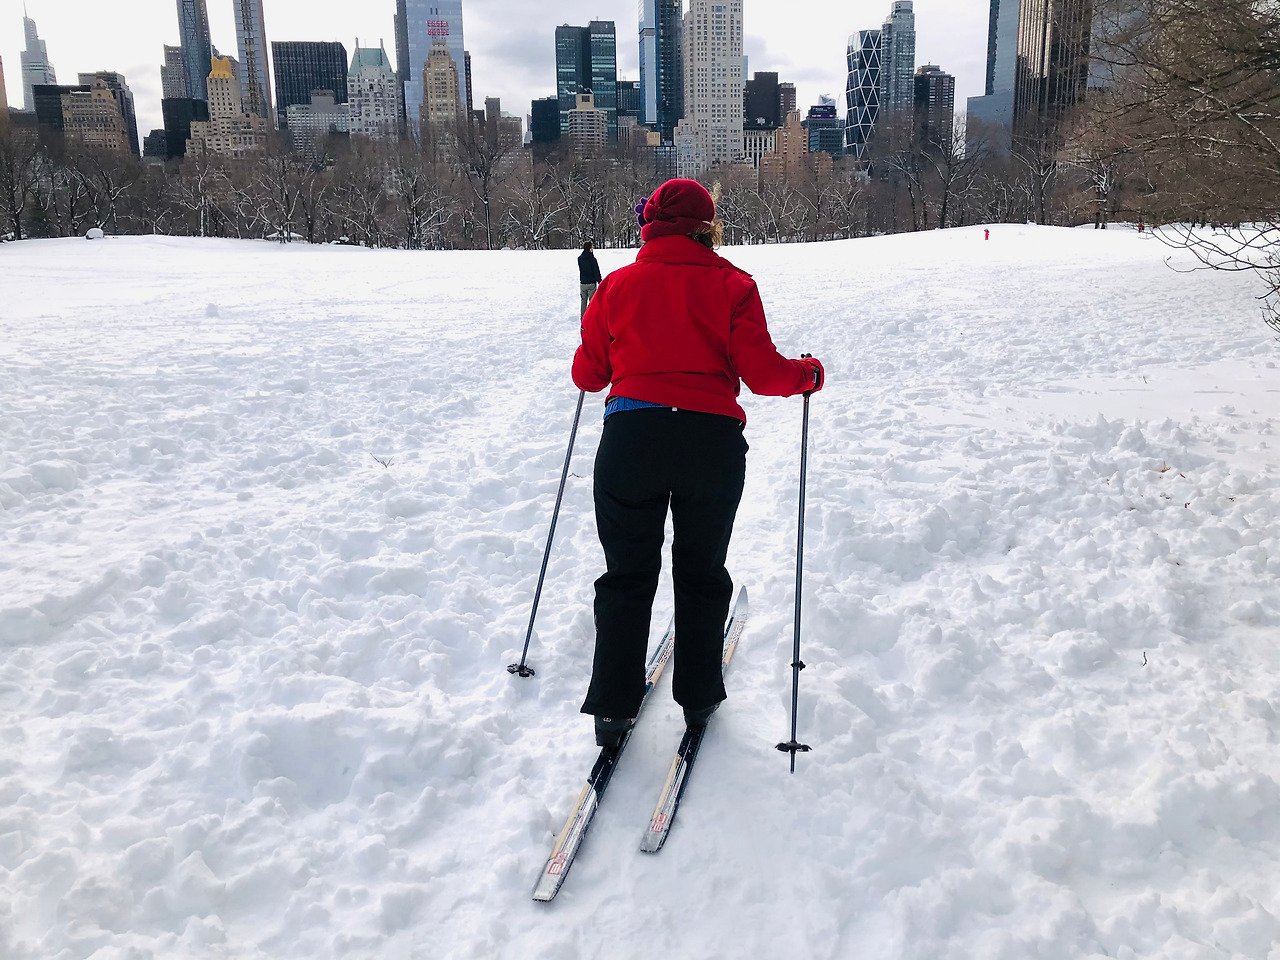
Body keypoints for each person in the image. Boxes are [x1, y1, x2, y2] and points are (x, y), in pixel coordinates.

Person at [572, 178, 825, 748]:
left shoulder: (615, 285)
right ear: (708, 228)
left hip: (631, 441)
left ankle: (611, 708)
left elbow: (588, 374)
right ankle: (699, 695)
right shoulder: (734, 284)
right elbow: (763, 374)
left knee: (626, 573)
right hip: (709, 445)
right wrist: (806, 374)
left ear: (650, 225)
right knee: (701, 570)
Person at [578, 242, 603, 318]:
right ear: (589, 249)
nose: (593, 248)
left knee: (583, 302)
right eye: (592, 247)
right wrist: (600, 281)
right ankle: (591, 318)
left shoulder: (580, 259)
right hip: (591, 284)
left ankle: (583, 318)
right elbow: (596, 271)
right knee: (592, 303)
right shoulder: (593, 260)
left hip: (583, 283)